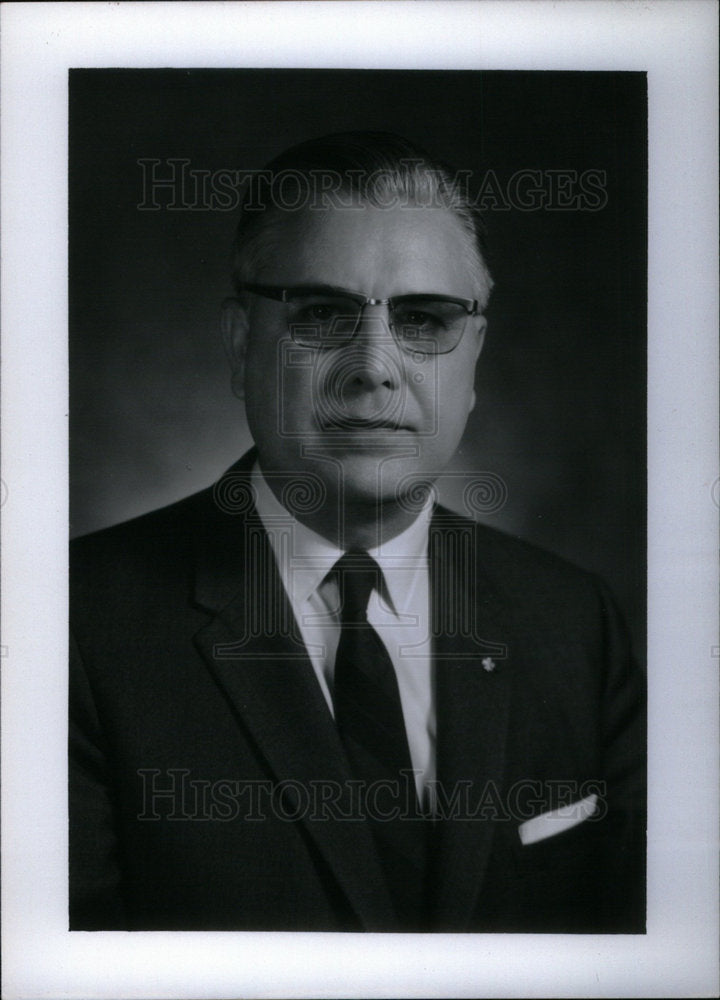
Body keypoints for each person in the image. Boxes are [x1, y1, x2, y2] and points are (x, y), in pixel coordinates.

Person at [69, 131, 645, 932]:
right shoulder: (71, 630)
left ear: (472, 360)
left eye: (424, 318)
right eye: (323, 313)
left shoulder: (576, 626)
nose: (373, 365)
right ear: (243, 349)